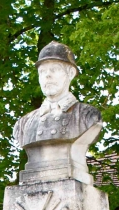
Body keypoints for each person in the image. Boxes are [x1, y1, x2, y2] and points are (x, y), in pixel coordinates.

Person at [14, 42, 102, 185]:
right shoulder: (24, 123)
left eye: (54, 69)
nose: (47, 76)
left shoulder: (88, 116)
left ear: (70, 73)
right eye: (42, 72)